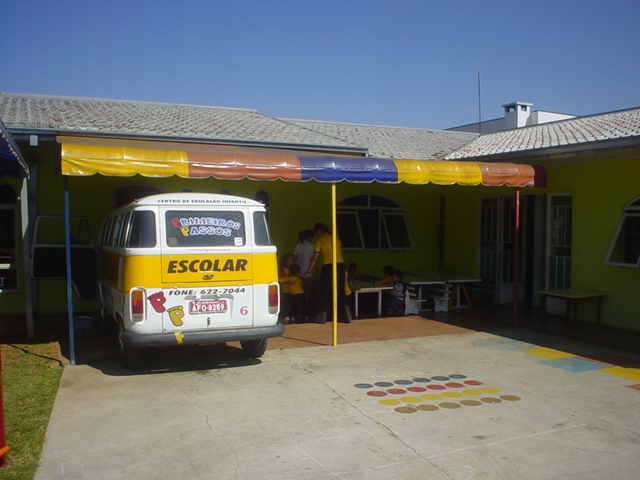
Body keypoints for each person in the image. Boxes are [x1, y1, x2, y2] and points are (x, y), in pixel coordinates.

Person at [304, 222, 352, 324]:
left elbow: (314, 258)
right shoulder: (336, 239)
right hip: (340, 265)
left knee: (323, 292)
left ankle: (321, 319)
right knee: (341, 291)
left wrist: (308, 271)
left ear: (319, 231)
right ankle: (347, 317)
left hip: (328, 266)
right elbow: (340, 253)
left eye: (316, 233)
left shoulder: (319, 240)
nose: (317, 235)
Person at [293, 229, 315, 303]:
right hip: (308, 274)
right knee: (306, 293)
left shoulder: (298, 245)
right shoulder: (311, 246)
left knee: (298, 292)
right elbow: (313, 260)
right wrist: (317, 271)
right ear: (310, 237)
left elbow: (295, 258)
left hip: (298, 273)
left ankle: (298, 307)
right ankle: (305, 307)